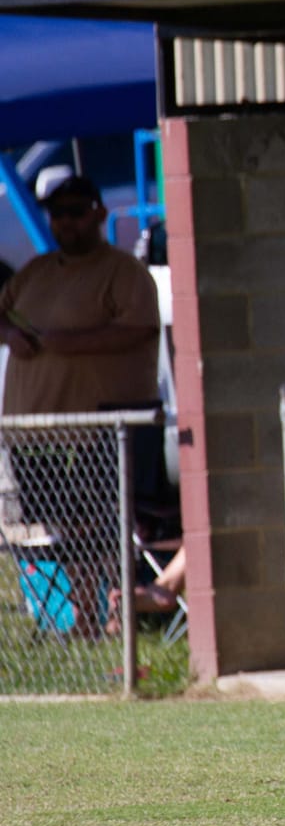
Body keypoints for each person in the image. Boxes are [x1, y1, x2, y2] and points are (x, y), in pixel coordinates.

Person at [0, 174, 161, 637]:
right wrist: (11, 334)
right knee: (57, 526)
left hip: (100, 425)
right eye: (57, 213)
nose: (65, 222)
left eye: (75, 211)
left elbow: (139, 328)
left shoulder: (124, 272)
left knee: (98, 523)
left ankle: (108, 614)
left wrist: (70, 342)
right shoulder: (35, 271)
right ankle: (82, 615)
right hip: (36, 430)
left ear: (99, 213)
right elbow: (2, 312)